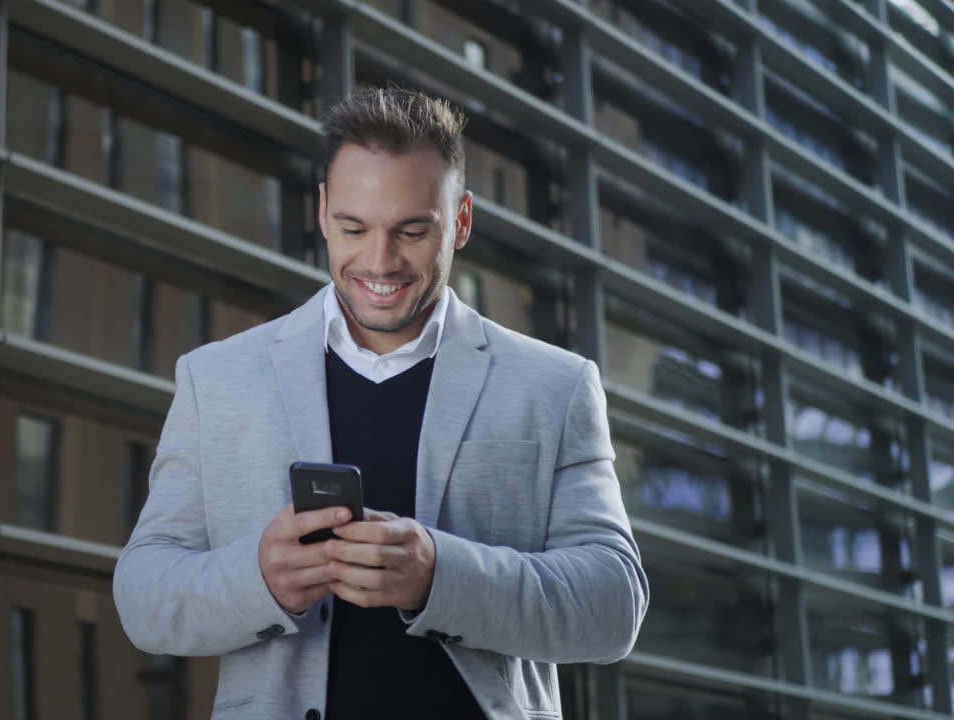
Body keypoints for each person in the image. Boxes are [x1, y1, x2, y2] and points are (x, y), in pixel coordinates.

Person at [114, 86, 648, 720]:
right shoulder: (218, 378)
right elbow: (143, 596)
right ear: (321, 213)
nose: (379, 261)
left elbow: (614, 607)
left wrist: (439, 577)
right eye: (353, 227)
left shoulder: (554, 385)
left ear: (462, 221)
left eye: (412, 231)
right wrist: (257, 578)